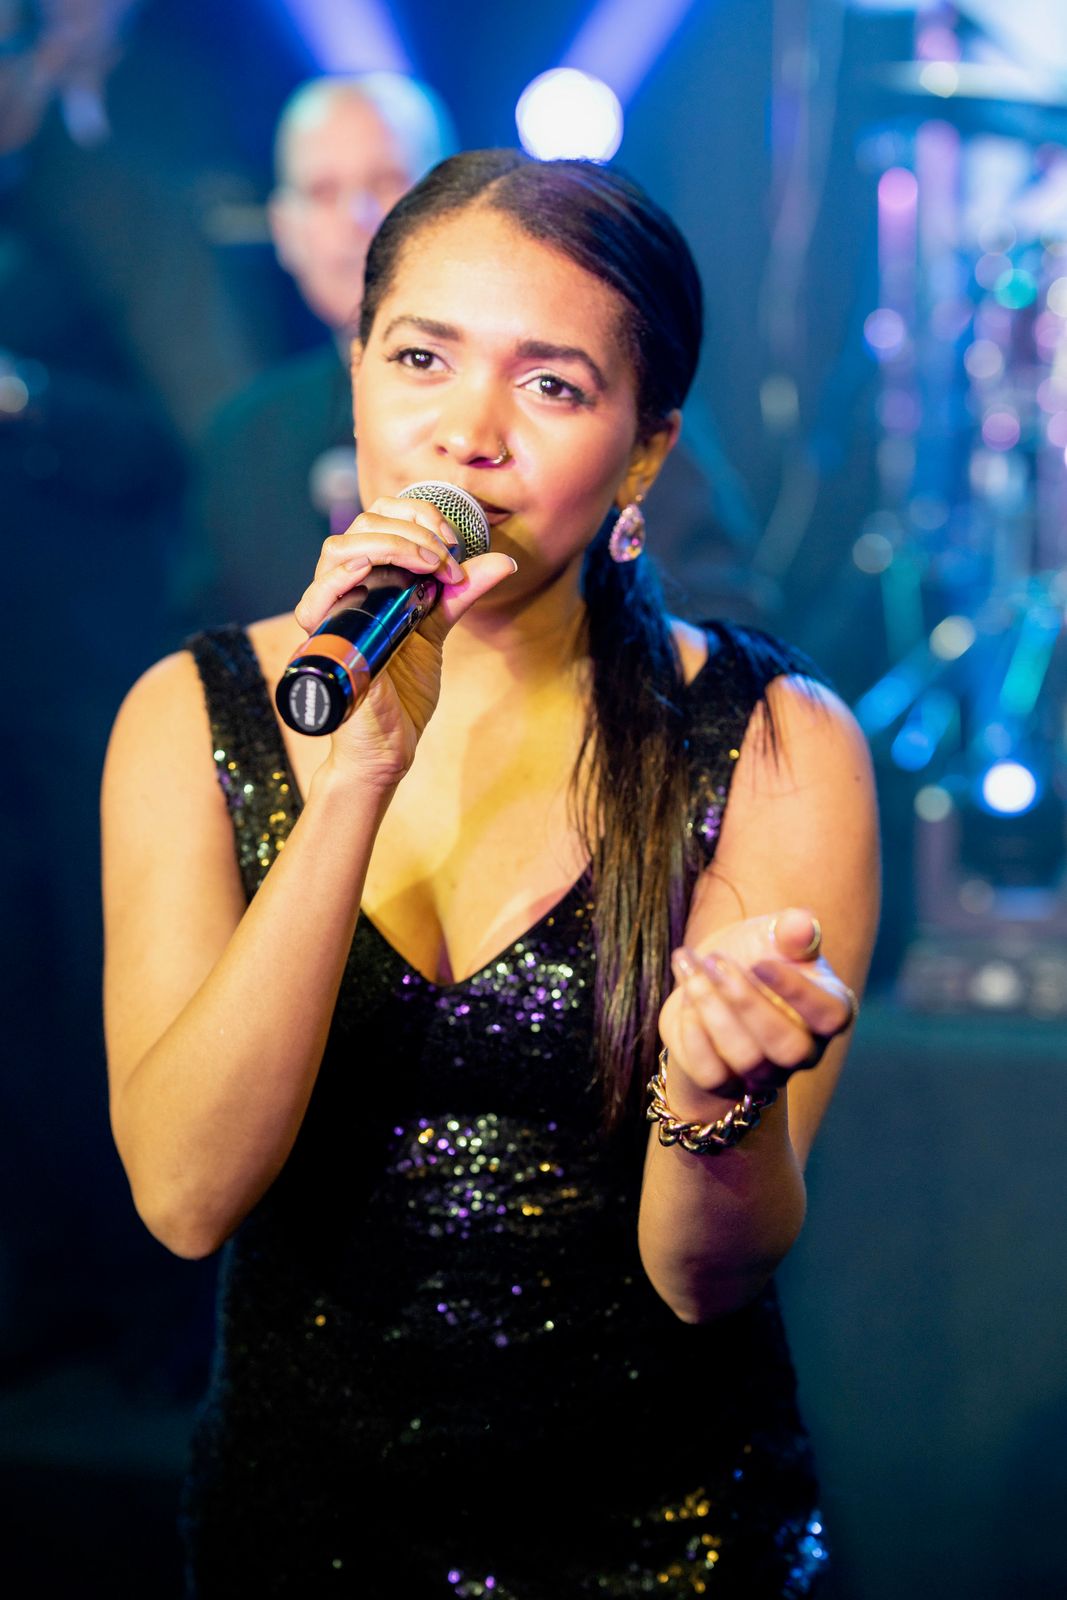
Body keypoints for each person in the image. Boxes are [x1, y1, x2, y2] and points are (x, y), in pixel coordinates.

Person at [103, 149, 879, 1597]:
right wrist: (353, 783)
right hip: (298, 1538)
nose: (466, 434)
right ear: (352, 376)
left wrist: (712, 1098)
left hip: (659, 1544)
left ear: (643, 452)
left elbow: (702, 1275)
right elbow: (185, 1195)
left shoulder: (769, 739)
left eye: (551, 385)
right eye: (420, 358)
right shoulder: (187, 717)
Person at [179, 72, 455, 624]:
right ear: (285, 231)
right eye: (324, 193)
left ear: (455, 209)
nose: (358, 219)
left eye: (387, 181)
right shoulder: (242, 442)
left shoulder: (522, 410)